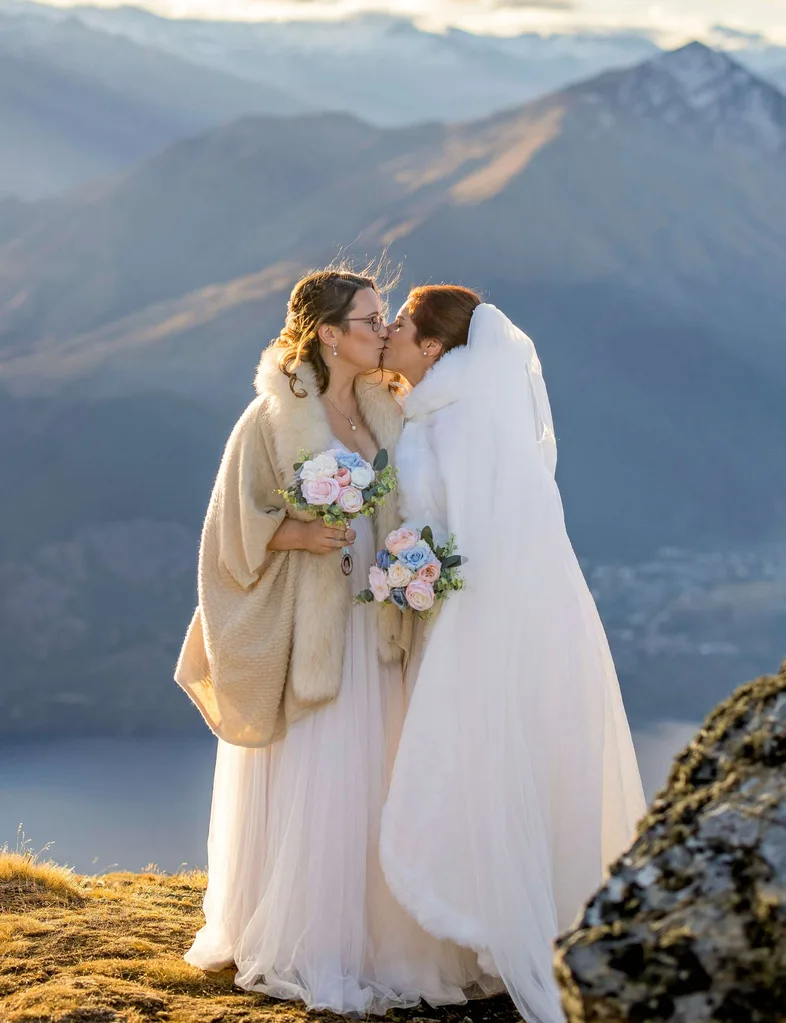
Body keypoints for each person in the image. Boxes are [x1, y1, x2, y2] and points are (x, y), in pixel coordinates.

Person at [175, 269, 496, 1014]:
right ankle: (316, 943)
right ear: (328, 333)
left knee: (379, 779)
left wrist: (415, 563)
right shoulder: (271, 418)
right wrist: (298, 530)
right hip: (311, 630)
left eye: (384, 317)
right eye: (370, 318)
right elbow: (228, 531)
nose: (383, 330)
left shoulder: (391, 409)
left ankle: (383, 940)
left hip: (374, 621)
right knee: (320, 780)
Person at [379, 285, 647, 1023]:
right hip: (470, 614)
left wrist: (421, 573)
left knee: (472, 764)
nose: (391, 331)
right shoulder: (446, 410)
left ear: (433, 346)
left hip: (479, 623)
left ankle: (494, 925)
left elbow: (479, 537)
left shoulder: (461, 423)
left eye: (401, 323)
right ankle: (483, 927)